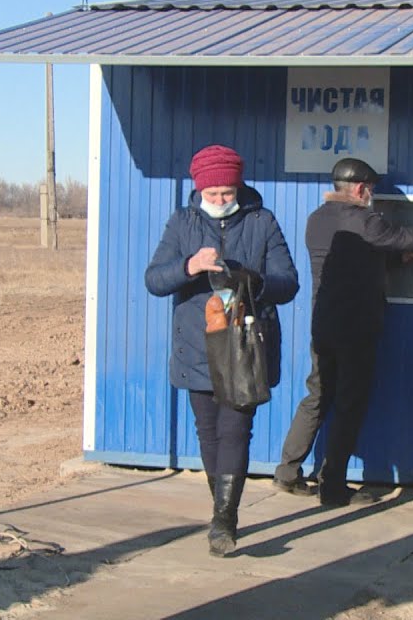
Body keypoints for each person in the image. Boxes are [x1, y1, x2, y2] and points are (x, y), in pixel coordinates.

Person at [273, 158, 413, 507]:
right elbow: (410, 237)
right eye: (370, 189)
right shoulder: (364, 219)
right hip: (355, 327)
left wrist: (393, 261)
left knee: (317, 394)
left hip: (323, 323)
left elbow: (352, 261)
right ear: (360, 189)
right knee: (349, 402)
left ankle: (287, 471)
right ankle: (334, 487)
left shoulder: (317, 219)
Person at [144, 144, 299, 557]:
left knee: (235, 431)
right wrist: (189, 267)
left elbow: (290, 281)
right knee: (209, 434)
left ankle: (224, 522)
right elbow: (154, 280)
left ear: (238, 186)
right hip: (198, 344)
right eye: (211, 194)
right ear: (198, 191)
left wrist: (252, 280)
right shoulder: (182, 223)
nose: (219, 201)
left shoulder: (263, 221)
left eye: (226, 193)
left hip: (246, 346)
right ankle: (220, 508)